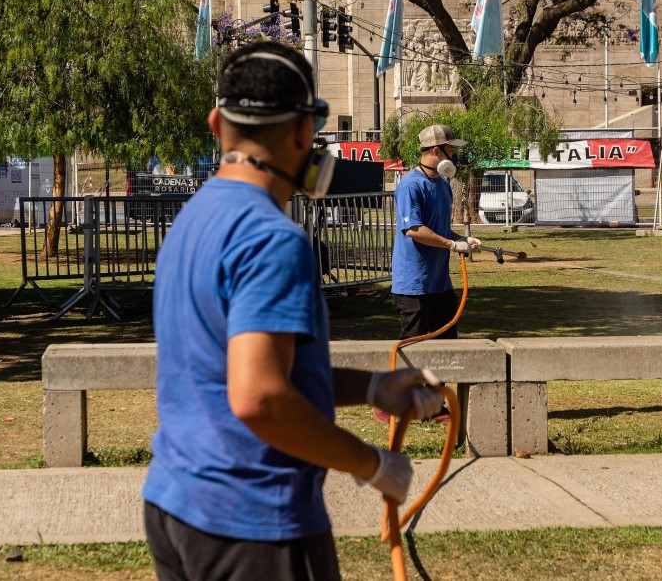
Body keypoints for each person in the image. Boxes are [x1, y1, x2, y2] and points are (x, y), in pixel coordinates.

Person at [141, 41, 444, 581]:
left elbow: (244, 369)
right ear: (306, 132)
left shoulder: (191, 220)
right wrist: (372, 464)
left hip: (175, 503)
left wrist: (372, 386)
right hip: (255, 523)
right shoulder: (271, 238)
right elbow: (260, 397)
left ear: (216, 123)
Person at [376, 125, 480, 423]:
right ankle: (389, 402)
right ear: (436, 151)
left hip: (438, 282)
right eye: (452, 149)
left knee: (445, 345)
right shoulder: (410, 185)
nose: (456, 155)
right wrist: (451, 244)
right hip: (413, 284)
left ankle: (434, 406)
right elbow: (414, 230)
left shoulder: (443, 184)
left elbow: (438, 228)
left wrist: (462, 238)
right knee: (413, 349)